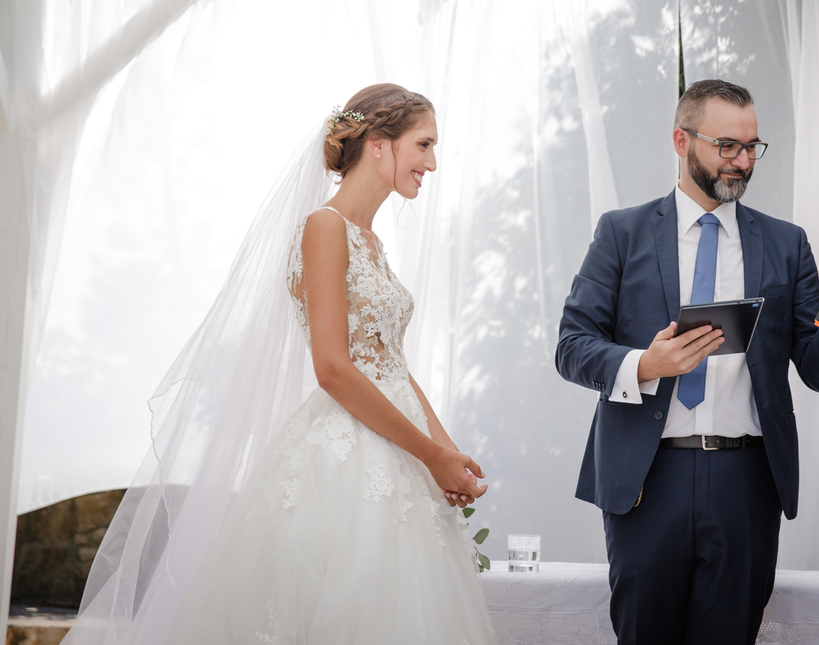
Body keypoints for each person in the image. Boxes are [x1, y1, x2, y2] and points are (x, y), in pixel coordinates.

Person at [65, 84, 496, 645]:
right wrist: (431, 453)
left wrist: (447, 453)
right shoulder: (325, 227)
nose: (432, 163)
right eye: (424, 144)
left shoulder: (372, 243)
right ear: (379, 145)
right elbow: (333, 369)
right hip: (344, 457)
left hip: (398, 450)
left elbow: (393, 363)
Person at [555, 79, 819, 645]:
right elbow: (572, 345)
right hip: (647, 480)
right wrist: (645, 365)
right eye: (727, 146)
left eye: (752, 147)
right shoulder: (621, 233)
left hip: (746, 482)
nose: (742, 161)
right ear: (681, 140)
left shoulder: (785, 243)